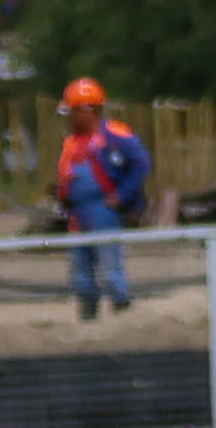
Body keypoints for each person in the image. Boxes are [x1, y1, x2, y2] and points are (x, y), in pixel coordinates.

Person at [55, 83, 152, 320]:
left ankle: (121, 306)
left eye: (73, 111)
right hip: (77, 212)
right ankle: (88, 310)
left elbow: (142, 163)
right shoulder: (71, 141)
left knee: (110, 262)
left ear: (88, 110)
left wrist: (123, 194)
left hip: (103, 209)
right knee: (80, 265)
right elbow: (66, 174)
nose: (70, 118)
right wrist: (63, 197)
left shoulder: (115, 134)